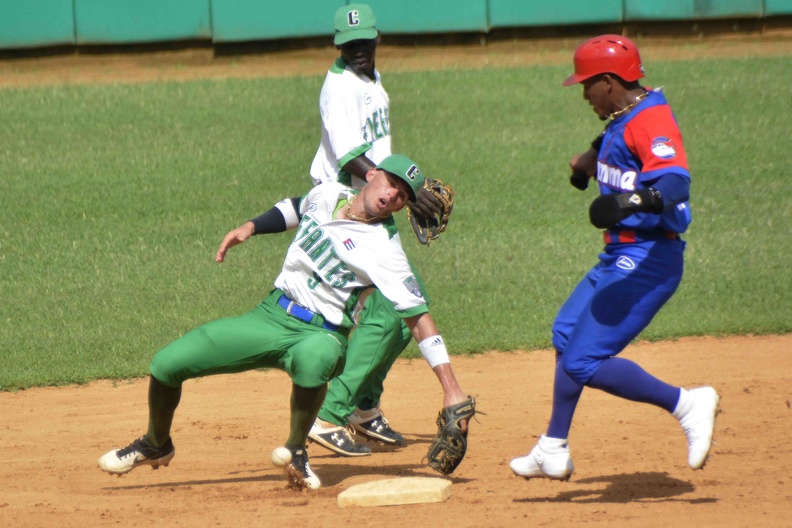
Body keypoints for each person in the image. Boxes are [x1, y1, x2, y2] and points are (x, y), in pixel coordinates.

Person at [98, 155, 470, 490]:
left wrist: (451, 388)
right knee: (166, 364)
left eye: (403, 195)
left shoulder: (386, 250)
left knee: (316, 359)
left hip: (322, 333)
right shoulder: (328, 194)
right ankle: (156, 443)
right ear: (371, 174)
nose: (392, 195)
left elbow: (419, 319)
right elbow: (296, 206)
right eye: (390, 182)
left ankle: (296, 450)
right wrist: (251, 226)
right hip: (270, 316)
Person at [510, 35, 719, 481]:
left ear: (608, 82)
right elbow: (615, 134)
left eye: (586, 85)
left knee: (582, 361)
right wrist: (588, 160)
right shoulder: (624, 114)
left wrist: (630, 202)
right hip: (620, 254)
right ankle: (553, 446)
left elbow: (677, 183)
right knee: (566, 333)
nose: (583, 94)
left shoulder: (652, 119)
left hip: (650, 257)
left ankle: (687, 404)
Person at [304, 3, 443, 457]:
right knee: (392, 313)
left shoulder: (370, 77)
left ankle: (364, 406)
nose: (359, 51)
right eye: (350, 45)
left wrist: (395, 193)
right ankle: (332, 412)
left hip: (374, 205)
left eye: (365, 43)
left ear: (377, 39)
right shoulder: (340, 87)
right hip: (348, 210)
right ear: (338, 45)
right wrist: (402, 190)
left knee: (401, 322)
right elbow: (349, 158)